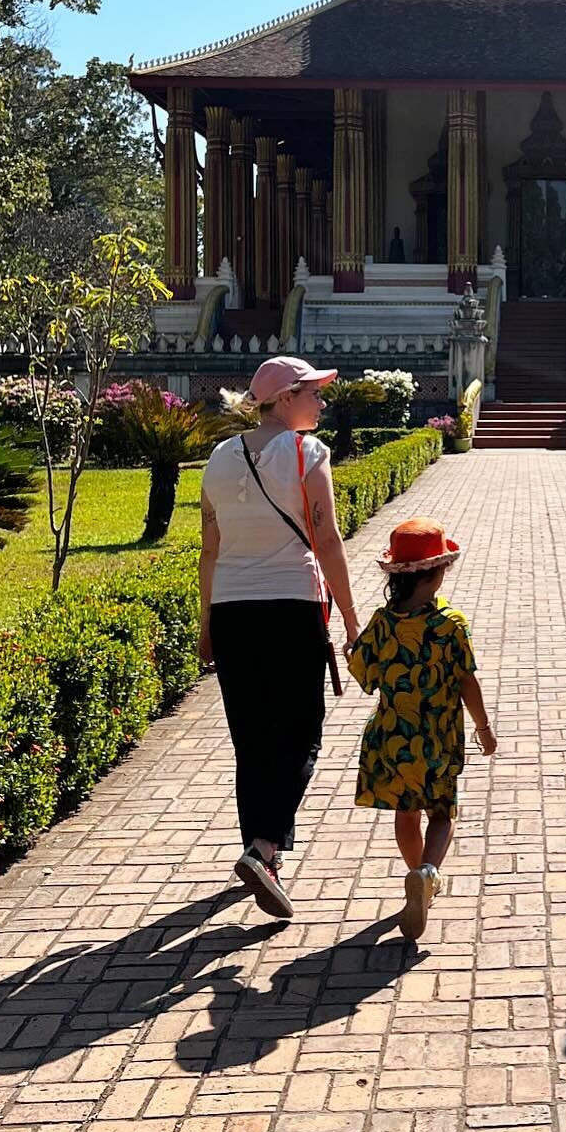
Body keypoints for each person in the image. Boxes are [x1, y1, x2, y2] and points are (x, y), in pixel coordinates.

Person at [199, 355, 361, 919]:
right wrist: (350, 615)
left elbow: (210, 549)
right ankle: (265, 848)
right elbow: (328, 540)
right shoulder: (307, 453)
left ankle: (260, 854)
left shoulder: (218, 459)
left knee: (252, 737)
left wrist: (205, 623)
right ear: (287, 397)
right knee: (301, 732)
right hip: (292, 604)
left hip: (232, 610)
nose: (320, 403)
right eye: (313, 393)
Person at [348, 518, 496, 941]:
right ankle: (428, 873)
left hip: (393, 736)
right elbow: (468, 681)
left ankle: (416, 875)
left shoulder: (382, 622)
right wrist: (484, 728)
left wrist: (351, 650)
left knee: (406, 811)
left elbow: (365, 676)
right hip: (438, 737)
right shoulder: (451, 625)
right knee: (442, 814)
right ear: (440, 571)